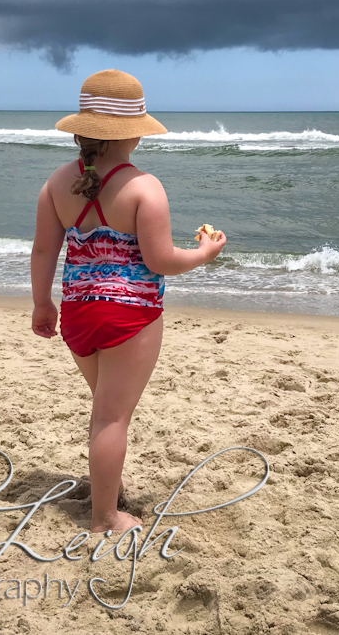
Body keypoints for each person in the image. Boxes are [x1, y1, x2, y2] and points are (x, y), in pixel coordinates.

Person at [30, 69, 227, 534]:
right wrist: (203, 252)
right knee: (112, 417)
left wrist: (43, 304)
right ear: (135, 131)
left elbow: (43, 250)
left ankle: (106, 489)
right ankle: (105, 517)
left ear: (81, 130)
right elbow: (160, 261)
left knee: (104, 409)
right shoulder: (144, 187)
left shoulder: (57, 183)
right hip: (129, 316)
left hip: (79, 312)